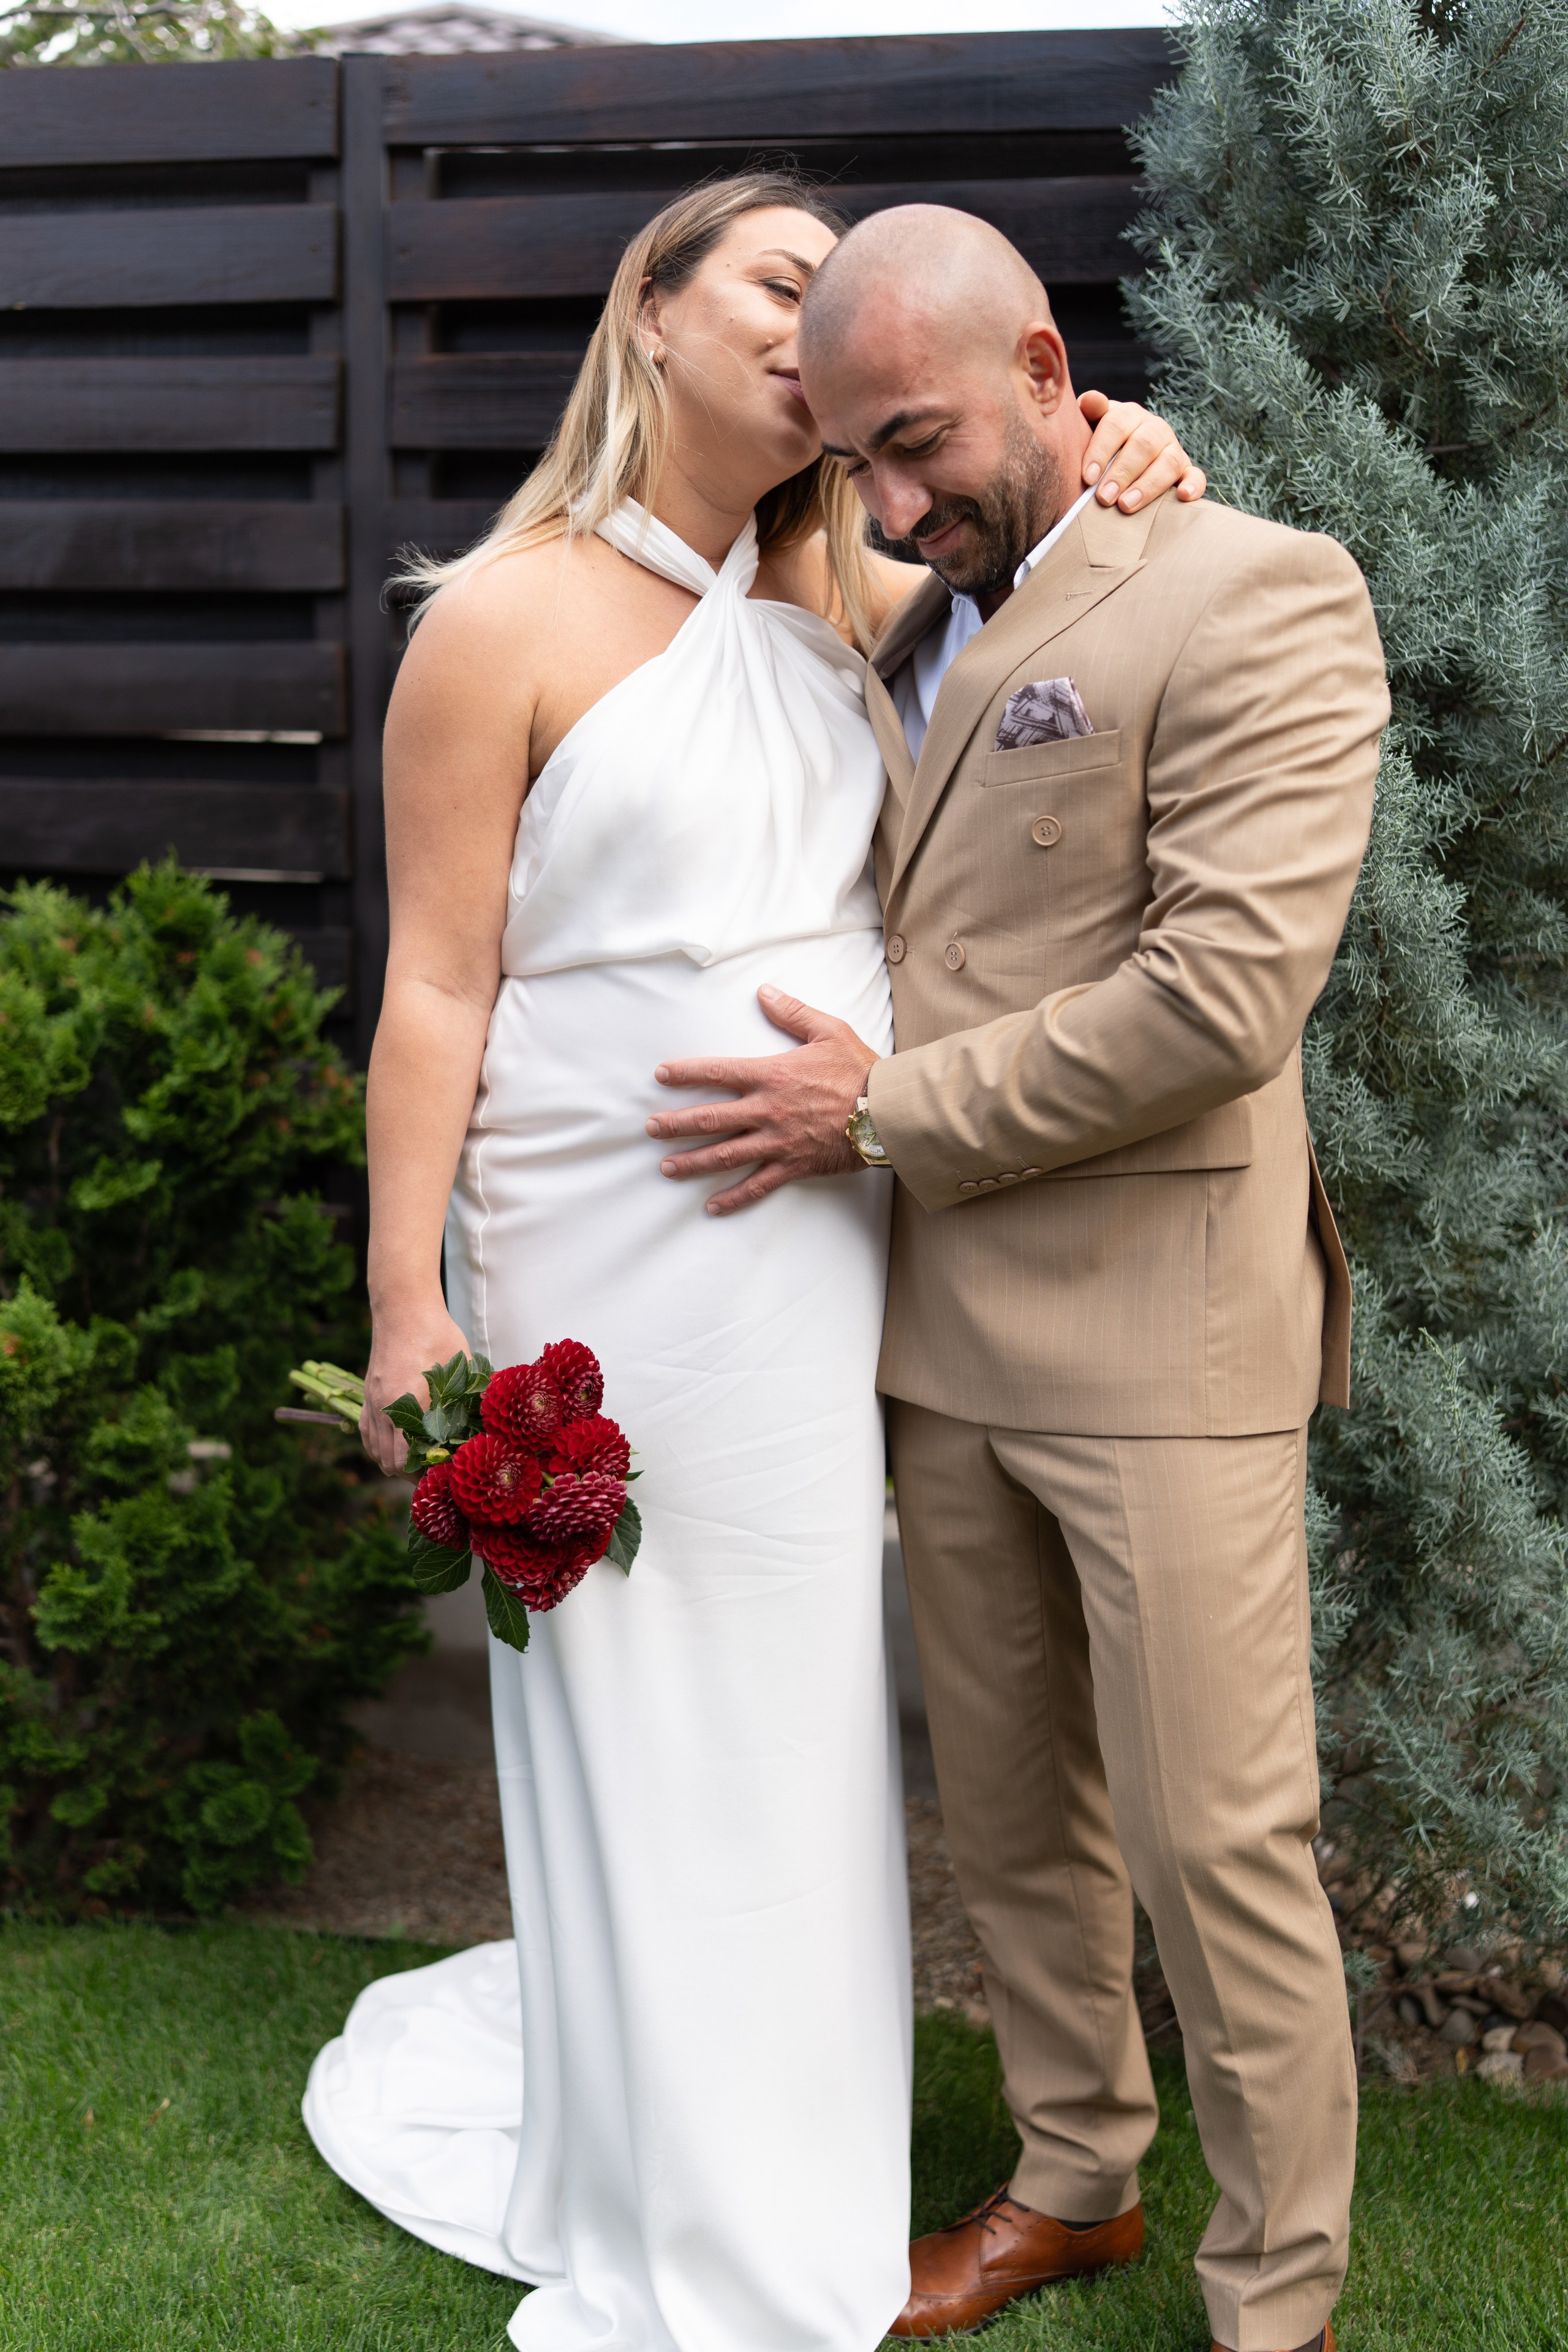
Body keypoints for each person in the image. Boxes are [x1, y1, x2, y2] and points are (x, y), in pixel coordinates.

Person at [300, 172, 1202, 2352]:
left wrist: (1142, 452)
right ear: (656, 320)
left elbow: (1053, 536)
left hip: (817, 1239)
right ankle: (660, 2173)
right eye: (787, 288)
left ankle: (797, 2152)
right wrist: (407, 1303)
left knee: (800, 1712)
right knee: (634, 1699)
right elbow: (435, 988)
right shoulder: (498, 621)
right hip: (586, 1247)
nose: (822, 335)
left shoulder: (854, 590)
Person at [646, 206, 1389, 2352]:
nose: (890, 502)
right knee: (1016, 1818)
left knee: (1215, 1840)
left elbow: (1220, 997)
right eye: (858, 459)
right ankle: (1076, 2182)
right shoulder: (902, 610)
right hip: (938, 1338)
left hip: (1165, 1334)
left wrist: (876, 1118)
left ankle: (1280, 2296)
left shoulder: (1261, 589)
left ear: (1055, 368)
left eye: (923, 443)